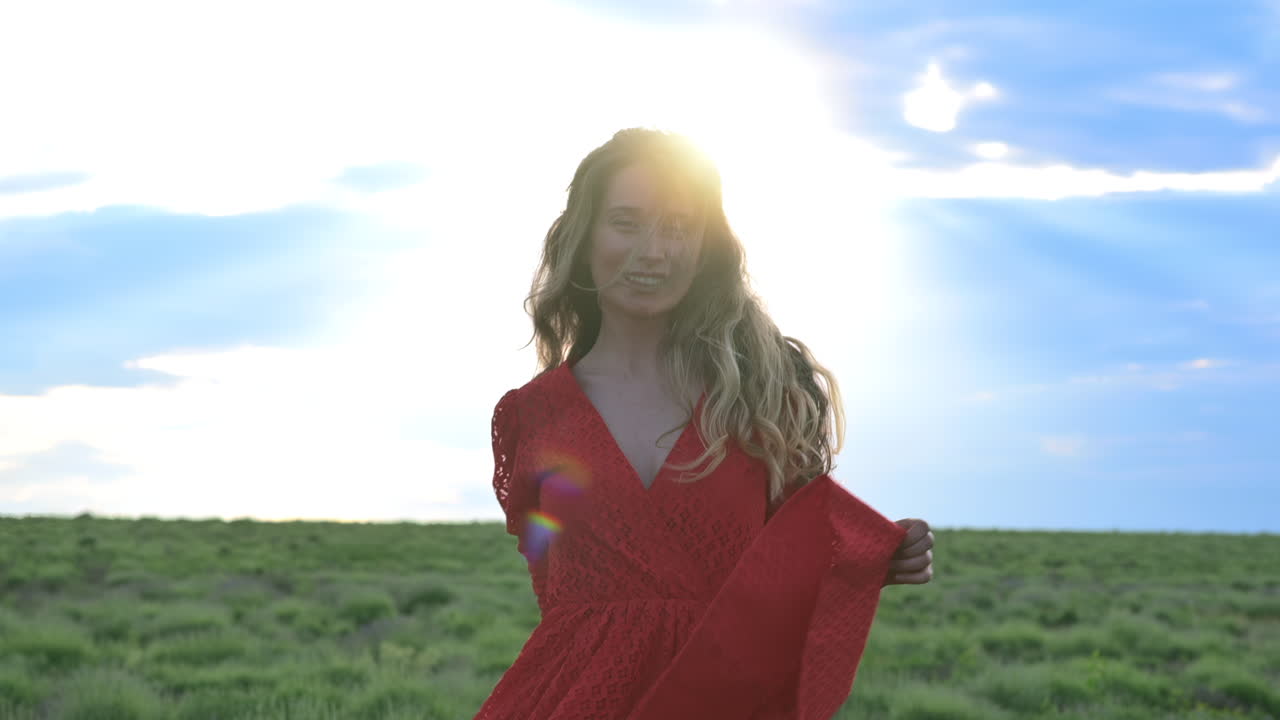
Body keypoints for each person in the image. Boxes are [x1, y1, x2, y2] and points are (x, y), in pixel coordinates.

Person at [474, 128, 934, 720]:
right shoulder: (531, 417)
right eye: (627, 222)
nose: (654, 251)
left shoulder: (762, 397)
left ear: (704, 248)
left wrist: (873, 558)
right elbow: (558, 596)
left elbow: (791, 561)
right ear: (584, 236)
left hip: (724, 697)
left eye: (678, 227)